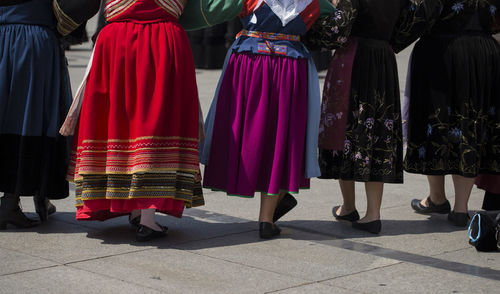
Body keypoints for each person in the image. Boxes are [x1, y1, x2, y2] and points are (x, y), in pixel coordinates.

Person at [181, 0, 335, 239]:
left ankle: (253, 188)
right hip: (291, 69)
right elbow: (341, 20)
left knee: (248, 133)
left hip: (249, 65)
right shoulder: (314, 3)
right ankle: (266, 218)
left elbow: (207, 12)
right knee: (281, 140)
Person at [59, 0, 205, 242]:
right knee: (155, 123)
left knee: (121, 123)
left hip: (117, 41)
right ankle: (145, 217)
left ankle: (134, 208)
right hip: (163, 41)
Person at [304, 0, 442, 234]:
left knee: (344, 130)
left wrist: (305, 34)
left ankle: (348, 206)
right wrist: (390, 43)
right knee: (378, 132)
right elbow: (414, 20)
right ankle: (373, 213)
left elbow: (336, 33)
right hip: (383, 59)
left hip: (353, 58)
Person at [0, 0, 98, 229]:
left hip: (5, 36)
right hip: (32, 39)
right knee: (30, 118)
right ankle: (14, 201)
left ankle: (29, 195)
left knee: (9, 116)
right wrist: (61, 25)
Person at [405, 0, 500, 227]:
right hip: (483, 53)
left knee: (436, 123)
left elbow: (419, 15)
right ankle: (460, 208)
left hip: (442, 53)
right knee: (470, 125)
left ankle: (437, 197)